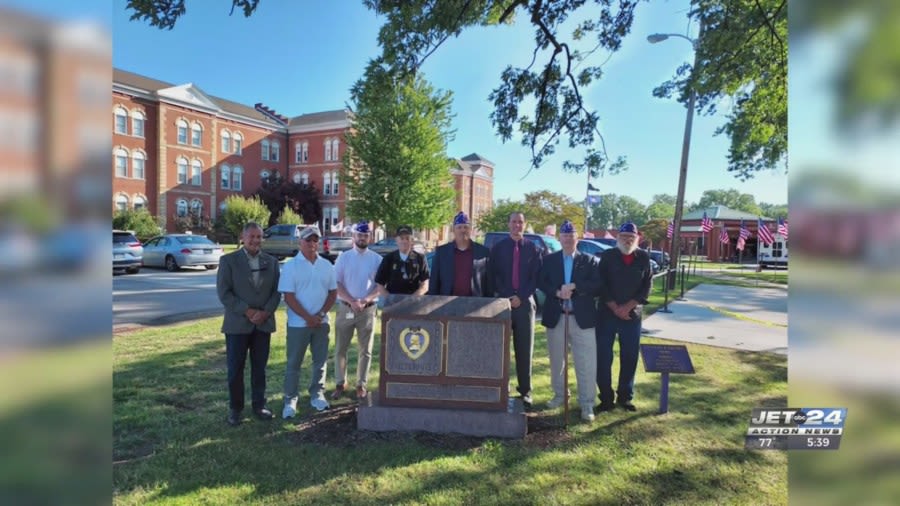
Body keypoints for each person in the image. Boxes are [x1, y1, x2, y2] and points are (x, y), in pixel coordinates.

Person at [216, 222, 281, 426]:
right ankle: (235, 409)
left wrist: (265, 312)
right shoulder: (228, 261)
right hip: (237, 325)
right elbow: (224, 293)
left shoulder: (271, 262)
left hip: (263, 324)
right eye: (252, 237)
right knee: (235, 369)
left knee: (259, 368)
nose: (255, 241)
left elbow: (277, 291)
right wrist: (247, 310)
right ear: (242, 238)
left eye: (259, 237)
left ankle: (259, 405)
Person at [537, 220, 601, 422]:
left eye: (571, 236)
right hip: (557, 317)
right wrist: (556, 292)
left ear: (577, 238)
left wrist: (575, 286)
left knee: (586, 363)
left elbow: (598, 285)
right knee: (557, 361)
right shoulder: (549, 260)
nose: (567, 239)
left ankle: (587, 404)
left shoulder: (589, 261)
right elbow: (541, 281)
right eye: (564, 236)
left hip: (582, 319)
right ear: (560, 238)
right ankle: (559, 395)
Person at [278, 225, 337, 419]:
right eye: (307, 240)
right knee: (294, 363)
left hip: (321, 323)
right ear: (299, 242)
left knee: (320, 362)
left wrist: (320, 315)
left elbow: (332, 293)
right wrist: (307, 317)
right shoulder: (290, 266)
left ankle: (317, 394)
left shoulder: (327, 265)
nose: (312, 243)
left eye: (315, 240)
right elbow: (289, 296)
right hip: (298, 325)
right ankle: (290, 399)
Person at [595, 222, 653, 413]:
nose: (627, 240)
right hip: (607, 315)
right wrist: (614, 307)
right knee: (603, 358)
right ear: (618, 237)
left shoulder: (644, 257)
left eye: (631, 237)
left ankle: (625, 397)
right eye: (624, 236)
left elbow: (646, 287)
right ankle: (605, 398)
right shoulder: (608, 256)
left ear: (637, 239)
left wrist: (627, 307)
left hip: (632, 316)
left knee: (629, 357)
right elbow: (600, 285)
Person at [490, 211, 542, 409]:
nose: (517, 225)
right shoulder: (498, 248)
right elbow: (493, 276)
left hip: (525, 304)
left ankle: (525, 391)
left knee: (524, 349)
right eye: (514, 222)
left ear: (524, 224)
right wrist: (506, 297)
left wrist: (520, 296)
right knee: (500, 349)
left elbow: (535, 277)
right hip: (503, 304)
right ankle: (501, 388)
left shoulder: (533, 248)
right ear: (508, 223)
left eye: (520, 222)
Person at [332, 220, 383, 401]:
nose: (362, 238)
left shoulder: (377, 259)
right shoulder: (343, 258)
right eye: (359, 235)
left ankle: (361, 384)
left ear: (370, 236)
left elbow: (380, 286)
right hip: (346, 308)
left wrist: (365, 300)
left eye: (365, 235)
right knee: (340, 348)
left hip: (368, 309)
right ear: (353, 236)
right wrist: (352, 301)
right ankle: (340, 382)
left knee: (365, 350)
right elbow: (336, 284)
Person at [427, 211, 491, 297]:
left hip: (476, 303)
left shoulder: (483, 252)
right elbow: (434, 282)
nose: (463, 230)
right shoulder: (441, 252)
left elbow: (490, 281)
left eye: (466, 227)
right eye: (459, 227)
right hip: (446, 304)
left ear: (470, 229)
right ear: (453, 230)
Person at [375, 225, 430, 296]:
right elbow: (380, 284)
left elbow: (425, 285)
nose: (404, 241)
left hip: (413, 303)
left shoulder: (420, 258)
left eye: (407, 238)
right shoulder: (389, 258)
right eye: (401, 238)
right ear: (396, 240)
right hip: (392, 304)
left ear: (412, 240)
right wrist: (389, 299)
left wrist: (411, 299)